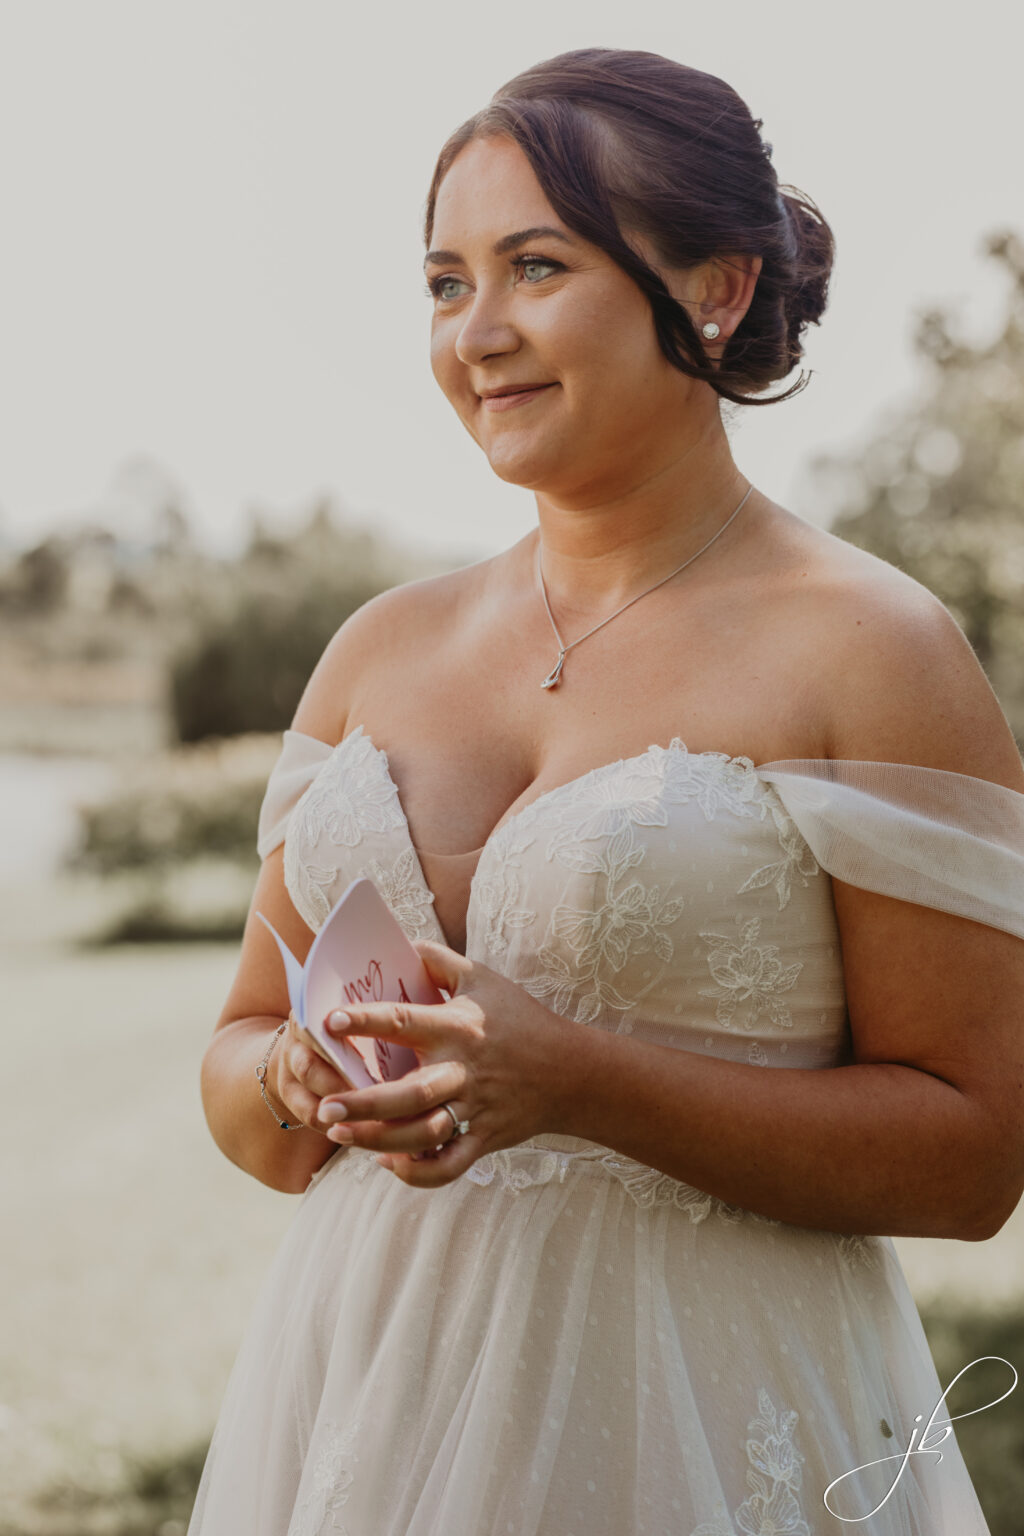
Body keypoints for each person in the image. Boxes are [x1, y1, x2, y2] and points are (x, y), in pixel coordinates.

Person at [187, 47, 1024, 1536]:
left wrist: (576, 1080)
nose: (478, 333)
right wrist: (292, 1081)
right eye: (445, 283)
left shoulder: (870, 647)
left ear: (710, 288)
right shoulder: (380, 648)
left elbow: (975, 1159)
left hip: (698, 1414)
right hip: (365, 1393)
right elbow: (245, 1063)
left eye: (534, 266)